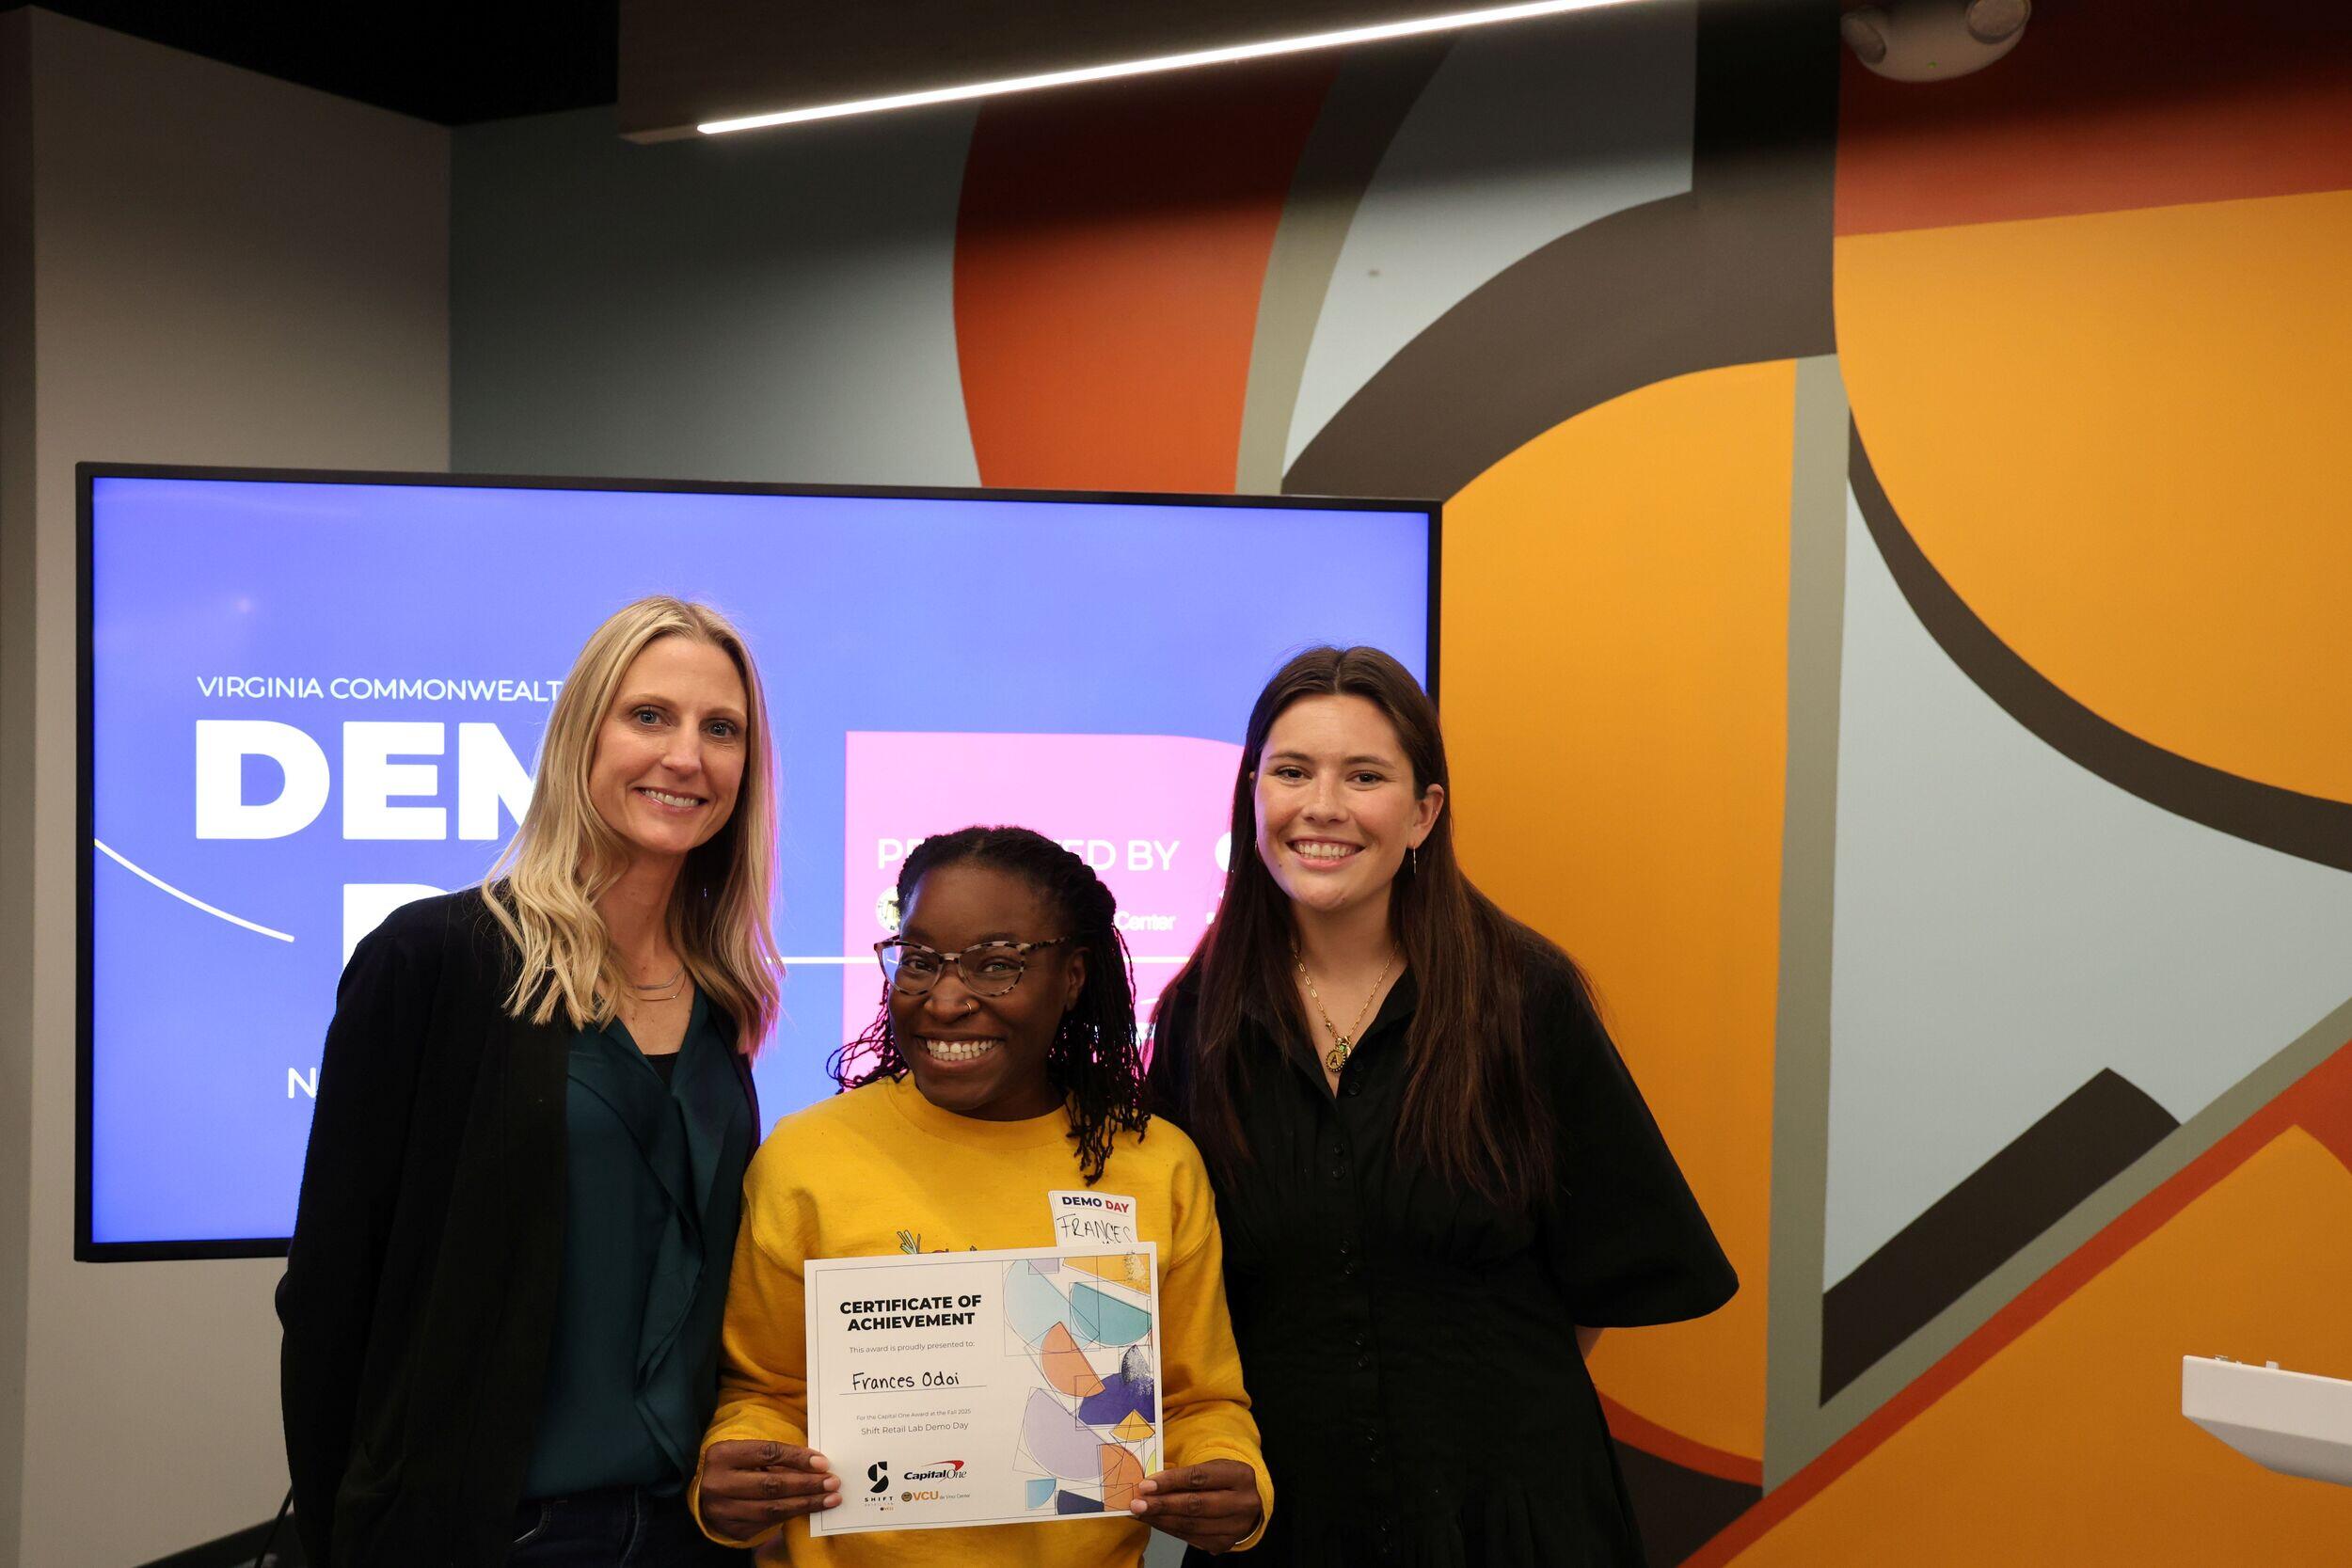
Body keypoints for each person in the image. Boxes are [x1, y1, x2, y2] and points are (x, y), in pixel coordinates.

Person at [1148, 646, 1737, 1567]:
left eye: (1365, 775)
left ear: (1422, 813)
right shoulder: (1198, 1017)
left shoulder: (1520, 996)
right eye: (1293, 771)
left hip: (1513, 1514)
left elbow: (1593, 1281)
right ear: (1252, 793)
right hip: (1292, 1522)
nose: (1323, 805)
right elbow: (1177, 1291)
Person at [278, 596, 783, 1567]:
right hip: (493, 1536)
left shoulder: (725, 1002)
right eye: (649, 715)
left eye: (720, 729)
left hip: (691, 1536)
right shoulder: (436, 961)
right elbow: (331, 1294)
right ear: (579, 736)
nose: (687, 755)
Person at [691, 826, 1272, 1565]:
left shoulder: (1156, 1167)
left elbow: (1199, 1402)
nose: (947, 998)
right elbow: (764, 1393)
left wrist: (1231, 1475)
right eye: (922, 961)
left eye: (998, 965)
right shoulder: (805, 1162)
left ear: (1072, 977)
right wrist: (739, 1464)